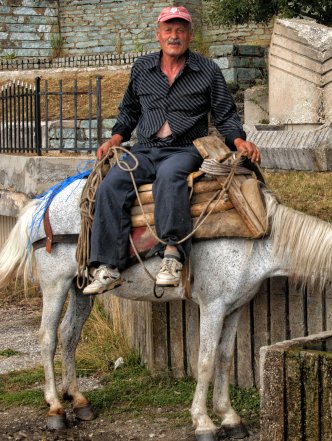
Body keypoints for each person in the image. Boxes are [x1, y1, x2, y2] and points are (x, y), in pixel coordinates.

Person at [83, 5, 260, 295]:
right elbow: (129, 111)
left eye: (180, 30)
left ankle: (173, 253)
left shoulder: (207, 70)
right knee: (112, 184)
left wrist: (239, 141)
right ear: (158, 35)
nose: (174, 36)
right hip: (147, 147)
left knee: (170, 176)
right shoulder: (142, 68)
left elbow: (225, 115)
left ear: (190, 36)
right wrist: (115, 138)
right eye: (168, 30)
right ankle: (109, 267)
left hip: (185, 148)